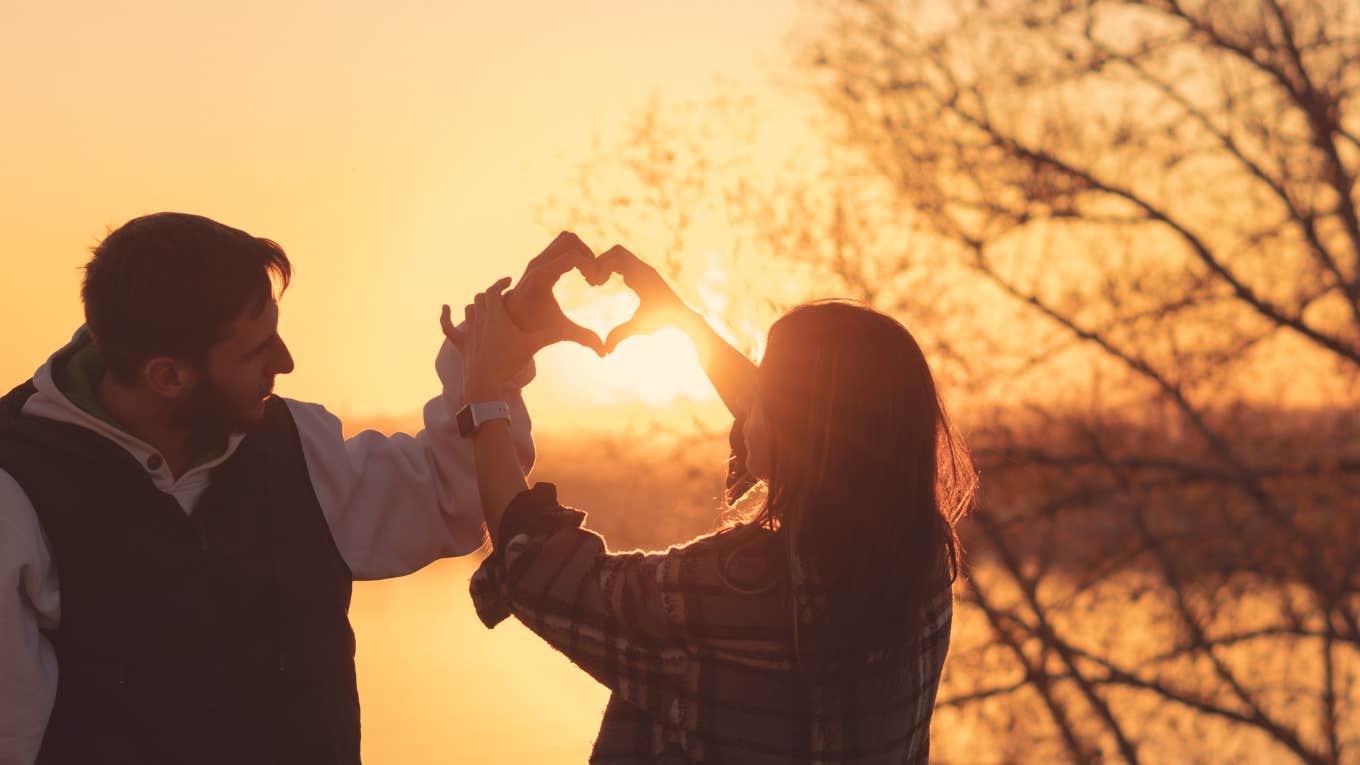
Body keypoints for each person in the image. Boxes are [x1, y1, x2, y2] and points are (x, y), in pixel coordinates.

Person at [0, 213, 601, 764]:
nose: (284, 362)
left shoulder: (293, 444)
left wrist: (500, 348)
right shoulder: (16, 486)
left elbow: (454, 498)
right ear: (168, 376)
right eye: (257, 349)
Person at [458, 242, 977, 763]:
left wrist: (484, 390)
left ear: (795, 424)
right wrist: (684, 324)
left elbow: (535, 567)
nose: (753, 401)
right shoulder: (922, 559)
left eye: (768, 389)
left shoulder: (727, 591)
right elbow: (814, 430)